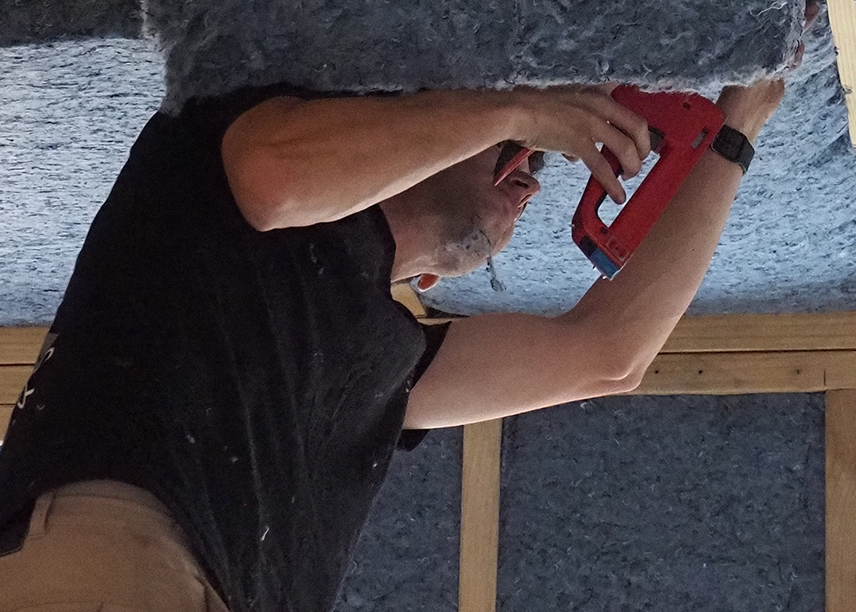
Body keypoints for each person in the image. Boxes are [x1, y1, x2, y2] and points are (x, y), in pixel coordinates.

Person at [0, 74, 787, 612]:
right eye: (525, 160)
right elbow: (610, 360)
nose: (531, 183)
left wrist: (518, 113)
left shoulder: (378, 355)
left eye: (524, 159)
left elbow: (605, 350)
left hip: (112, 562)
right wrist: (737, 131)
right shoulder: (238, 160)